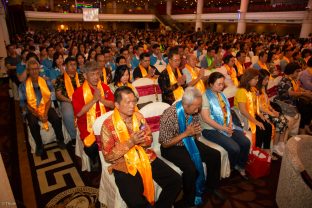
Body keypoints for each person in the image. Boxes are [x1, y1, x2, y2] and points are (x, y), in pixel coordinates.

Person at [101, 86, 182, 208]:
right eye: (127, 102)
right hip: (123, 164)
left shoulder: (138, 117)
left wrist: (143, 140)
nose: (132, 105)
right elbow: (108, 156)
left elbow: (149, 138)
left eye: (134, 101)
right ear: (117, 105)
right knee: (136, 201)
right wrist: (130, 142)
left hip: (145, 156)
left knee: (175, 181)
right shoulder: (108, 125)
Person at [159, 87, 222, 207]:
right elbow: (165, 143)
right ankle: (188, 201)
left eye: (199, 106)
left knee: (214, 155)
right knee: (191, 169)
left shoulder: (194, 111)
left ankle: (211, 189)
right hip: (172, 147)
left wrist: (196, 133)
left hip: (189, 141)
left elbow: (196, 133)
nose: (198, 109)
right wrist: (186, 134)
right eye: (196, 106)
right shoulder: (169, 114)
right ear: (186, 104)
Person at [201, 72, 250, 178]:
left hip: (226, 125)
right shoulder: (205, 97)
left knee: (245, 142)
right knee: (234, 148)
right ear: (210, 84)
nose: (222, 86)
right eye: (219, 84)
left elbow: (228, 111)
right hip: (210, 129)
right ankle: (231, 167)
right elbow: (206, 119)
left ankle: (240, 165)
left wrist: (230, 123)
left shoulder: (221, 94)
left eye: (223, 84)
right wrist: (224, 128)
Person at [72, 61, 114, 171]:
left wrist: (101, 99)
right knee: (90, 148)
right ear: (85, 75)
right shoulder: (78, 92)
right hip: (87, 126)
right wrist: (94, 100)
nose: (96, 77)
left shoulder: (104, 87)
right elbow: (79, 113)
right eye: (92, 74)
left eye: (97, 73)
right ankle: (94, 158)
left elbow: (114, 105)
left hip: (106, 123)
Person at [19, 59, 66, 156]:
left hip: (46, 107)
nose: (34, 71)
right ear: (28, 71)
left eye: (36, 69)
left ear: (39, 70)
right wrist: (37, 114)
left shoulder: (46, 81)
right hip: (32, 110)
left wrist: (44, 113)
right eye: (31, 69)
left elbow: (50, 99)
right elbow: (25, 103)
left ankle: (60, 139)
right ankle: (39, 145)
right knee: (32, 123)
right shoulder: (23, 86)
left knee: (56, 119)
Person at [234, 68, 273, 155]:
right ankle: (256, 150)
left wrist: (261, 116)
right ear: (248, 79)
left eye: (257, 78)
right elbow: (243, 110)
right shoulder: (241, 92)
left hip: (252, 114)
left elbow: (255, 107)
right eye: (255, 78)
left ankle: (266, 148)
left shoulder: (253, 90)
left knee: (268, 126)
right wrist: (256, 121)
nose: (257, 80)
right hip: (244, 117)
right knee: (260, 127)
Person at [256, 69, 289, 156]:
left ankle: (280, 143)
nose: (267, 81)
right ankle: (274, 146)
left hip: (268, 110)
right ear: (260, 79)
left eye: (268, 79)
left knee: (284, 120)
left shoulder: (263, 88)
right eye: (265, 79)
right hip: (261, 112)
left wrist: (273, 110)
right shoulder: (256, 90)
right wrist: (271, 113)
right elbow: (259, 107)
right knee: (278, 121)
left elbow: (267, 102)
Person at [275, 62, 312, 135]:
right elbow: (291, 93)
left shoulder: (291, 79)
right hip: (286, 103)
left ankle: (305, 127)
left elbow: (296, 88)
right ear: (291, 71)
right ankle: (302, 130)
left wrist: (304, 91)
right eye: (297, 71)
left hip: (293, 100)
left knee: (309, 105)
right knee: (305, 109)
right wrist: (304, 93)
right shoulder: (285, 80)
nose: (298, 73)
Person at [55, 57, 84, 143]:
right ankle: (74, 137)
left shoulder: (81, 76)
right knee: (68, 114)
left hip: (82, 99)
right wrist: (70, 100)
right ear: (65, 66)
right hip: (67, 100)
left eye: (74, 64)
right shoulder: (60, 78)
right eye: (70, 65)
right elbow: (58, 95)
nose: (73, 67)